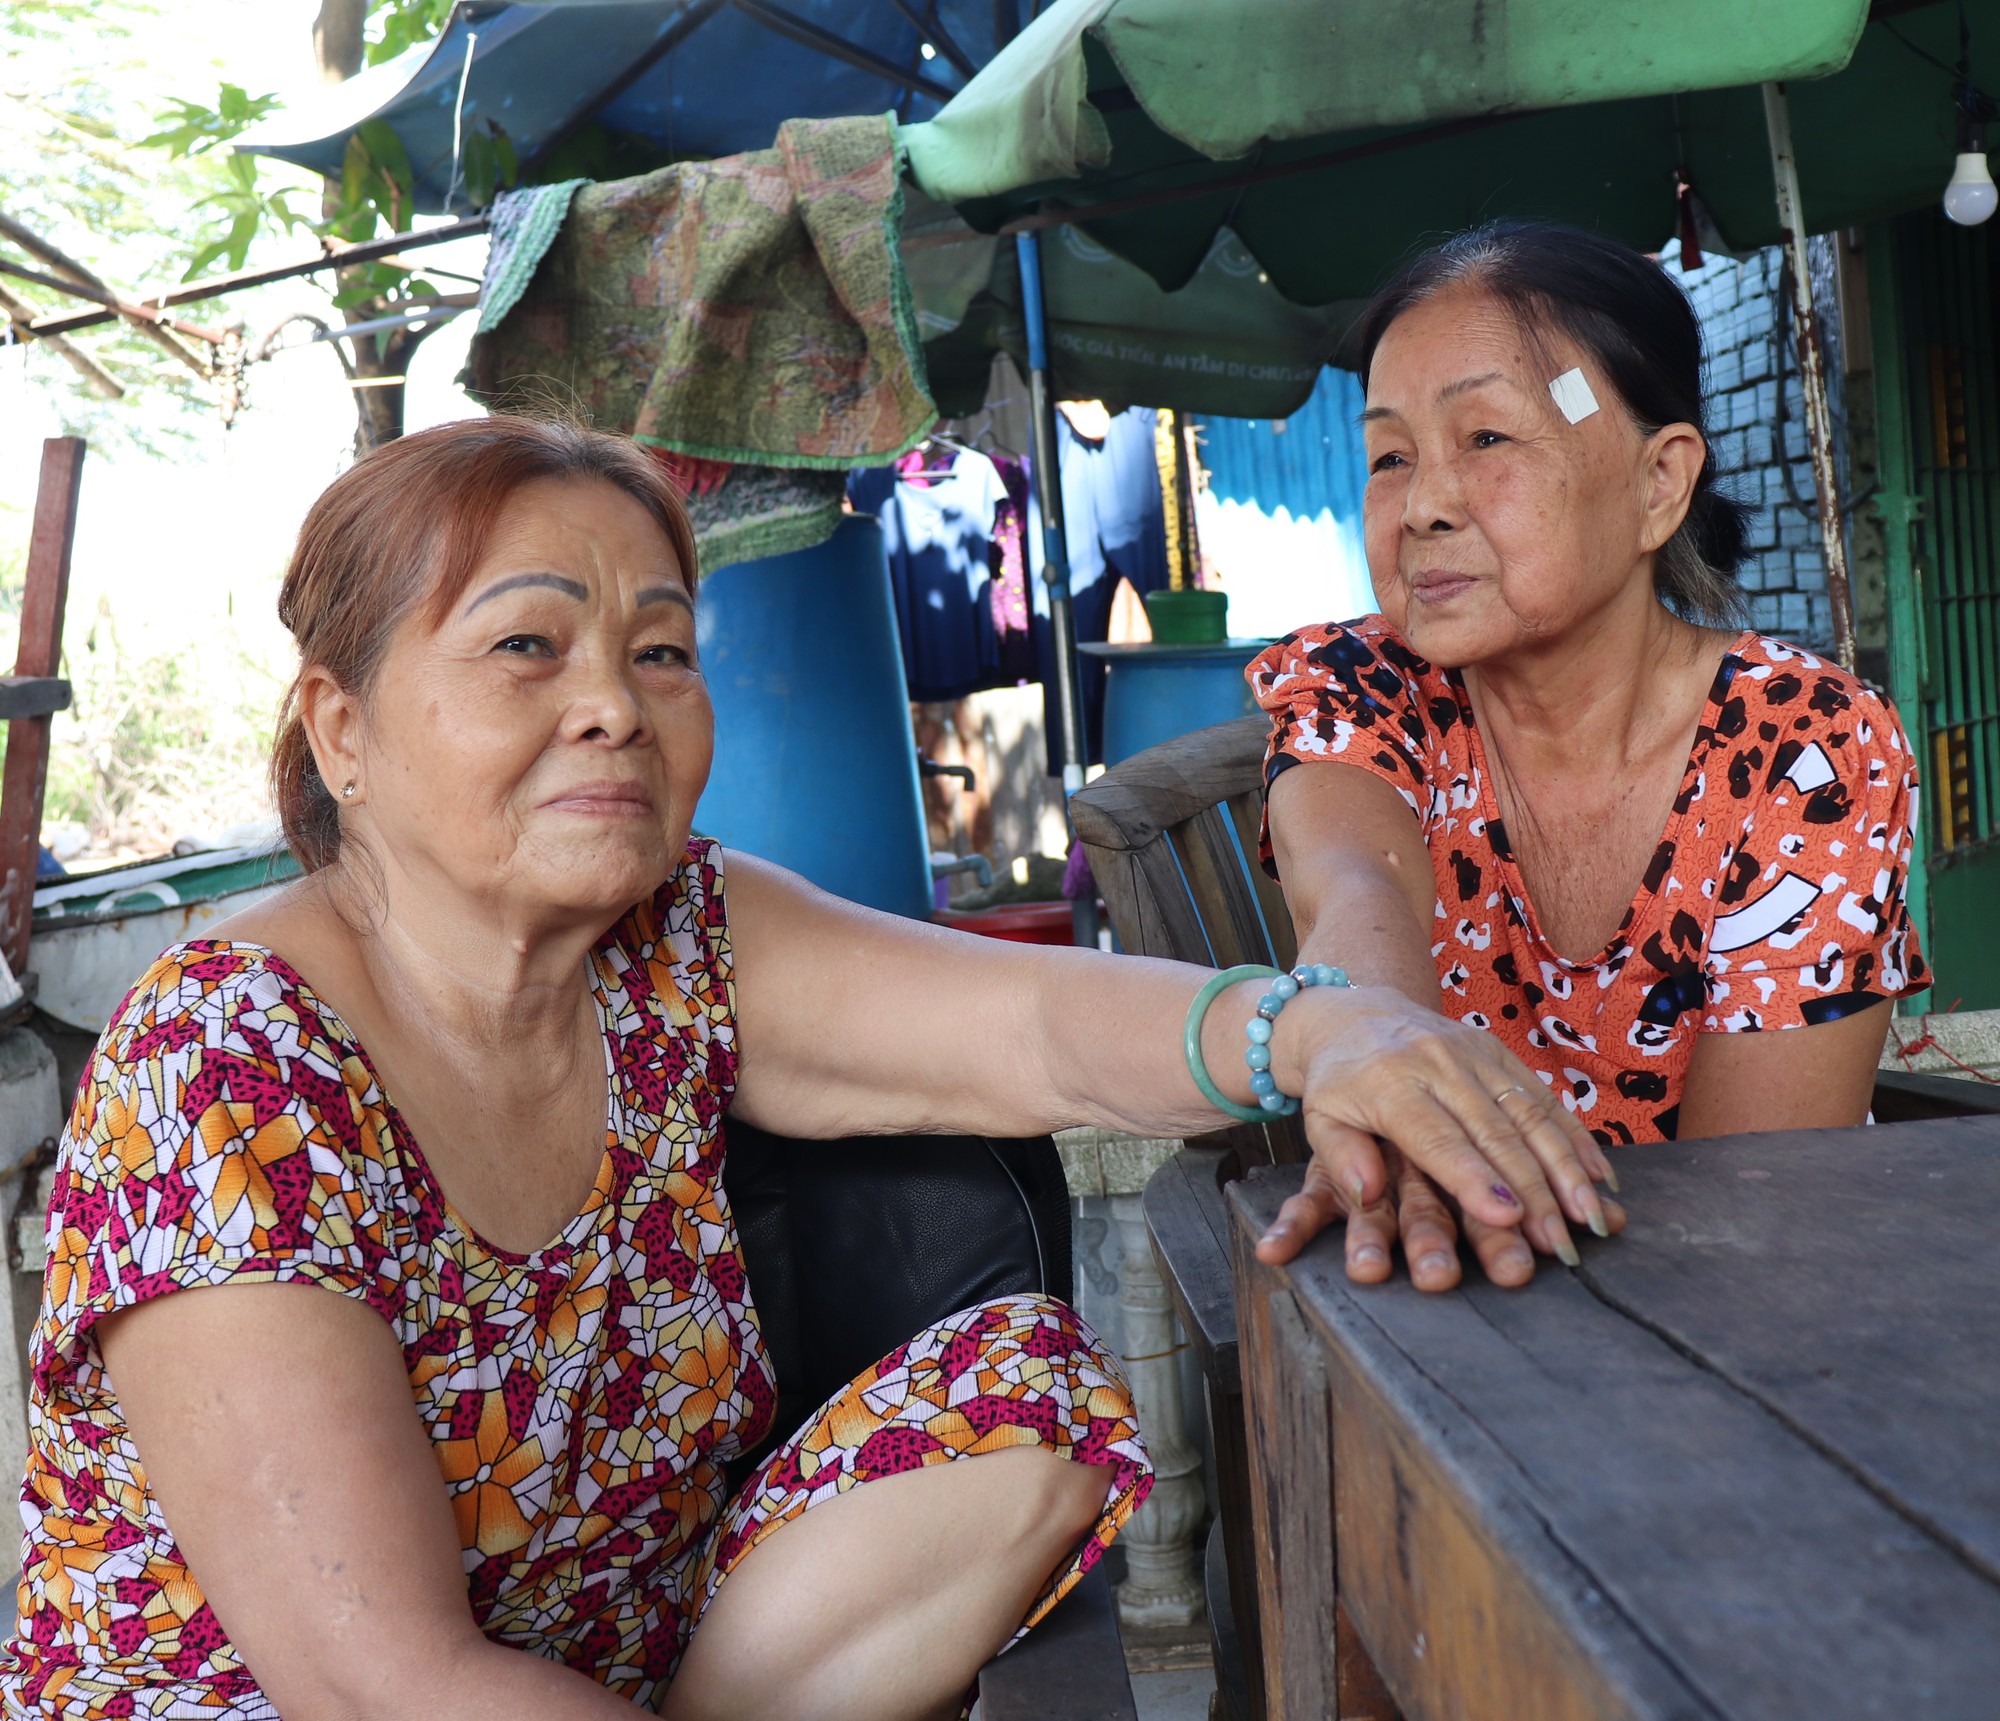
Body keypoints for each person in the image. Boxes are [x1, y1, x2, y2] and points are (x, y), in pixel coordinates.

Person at [2, 417, 1611, 1721]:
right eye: (526, 648)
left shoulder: (676, 933)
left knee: (1024, 1398)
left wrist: (1322, 1028)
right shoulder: (226, 1064)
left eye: (658, 651)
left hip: (632, 1670)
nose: (610, 711)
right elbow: (380, 1684)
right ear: (343, 729)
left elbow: (1038, 1026)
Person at [1251, 221, 1928, 1296]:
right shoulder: (1363, 689)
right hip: (1454, 1298)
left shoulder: (1806, 747)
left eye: (1485, 438)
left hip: (1743, 1315)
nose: (1422, 503)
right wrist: (1373, 1047)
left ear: (1658, 483)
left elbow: (1756, 1195)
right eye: (1389, 454)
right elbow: (1349, 886)